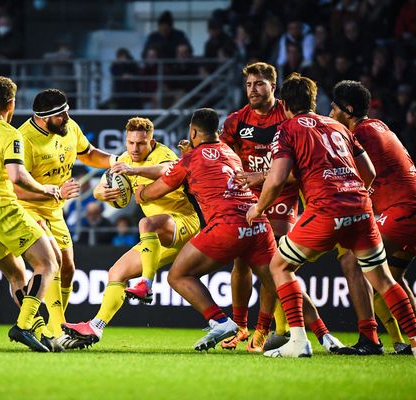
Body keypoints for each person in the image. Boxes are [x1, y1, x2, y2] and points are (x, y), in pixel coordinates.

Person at [245, 73, 416, 360]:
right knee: (384, 278)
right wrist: (355, 197)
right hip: (363, 207)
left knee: (280, 265)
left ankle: (299, 341)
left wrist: (257, 209)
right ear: (314, 101)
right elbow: (368, 171)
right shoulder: (339, 126)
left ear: (284, 105)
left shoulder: (287, 129)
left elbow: (279, 178)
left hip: (331, 208)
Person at [128, 108, 278, 351]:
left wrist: (140, 193)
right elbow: (210, 164)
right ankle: (270, 331)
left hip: (226, 226)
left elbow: (155, 191)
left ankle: (220, 321)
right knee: (276, 280)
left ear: (193, 131)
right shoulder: (230, 152)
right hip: (257, 222)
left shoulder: (189, 160)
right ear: (217, 131)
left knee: (177, 276)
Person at [221, 62, 344, 354]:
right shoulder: (237, 120)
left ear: (273, 87)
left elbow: (296, 169)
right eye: (249, 84)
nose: (253, 89)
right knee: (241, 261)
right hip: (248, 197)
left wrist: (260, 176)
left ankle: (266, 329)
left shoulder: (288, 117)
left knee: (274, 265)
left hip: (283, 198)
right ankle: (241, 327)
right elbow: (224, 155)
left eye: (259, 84)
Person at [61, 117, 200, 345]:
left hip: (184, 224)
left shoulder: (163, 154)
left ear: (151, 141)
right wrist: (101, 194)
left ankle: (146, 284)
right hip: (155, 238)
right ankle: (96, 327)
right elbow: (99, 187)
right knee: (116, 273)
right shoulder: (125, 159)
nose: (135, 149)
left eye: (141, 144)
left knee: (147, 224)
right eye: (131, 143)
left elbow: (167, 170)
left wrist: (133, 170)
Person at [330, 80, 416, 355]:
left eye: (334, 108)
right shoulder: (379, 126)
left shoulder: (359, 135)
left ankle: (369, 339)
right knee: (393, 277)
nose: (330, 114)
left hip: (404, 211)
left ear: (348, 109)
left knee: (352, 260)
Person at [0, 76, 63, 352]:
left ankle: (40, 331)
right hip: (3, 209)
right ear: (12, 103)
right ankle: (22, 327)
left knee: (16, 274)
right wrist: (45, 189)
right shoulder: (10, 134)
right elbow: (16, 175)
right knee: (47, 264)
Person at [16, 88, 118, 349]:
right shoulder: (24, 139)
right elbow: (13, 187)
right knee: (53, 260)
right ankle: (57, 328)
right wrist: (55, 191)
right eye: (61, 114)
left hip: (55, 208)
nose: (67, 117)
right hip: (27, 208)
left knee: (68, 267)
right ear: (43, 118)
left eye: (67, 111)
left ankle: (51, 325)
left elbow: (89, 153)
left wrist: (116, 160)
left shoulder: (69, 127)